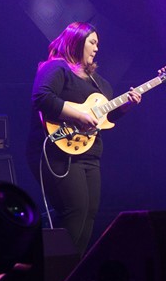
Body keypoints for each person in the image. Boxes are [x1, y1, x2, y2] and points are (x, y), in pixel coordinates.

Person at [25, 22, 141, 255]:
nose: (97, 48)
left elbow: (105, 119)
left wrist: (125, 107)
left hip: (89, 155)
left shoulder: (100, 83)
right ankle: (52, 267)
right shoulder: (57, 68)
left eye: (97, 44)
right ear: (77, 41)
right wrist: (78, 115)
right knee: (74, 211)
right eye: (92, 42)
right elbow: (42, 97)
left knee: (88, 215)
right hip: (58, 152)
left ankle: (70, 268)